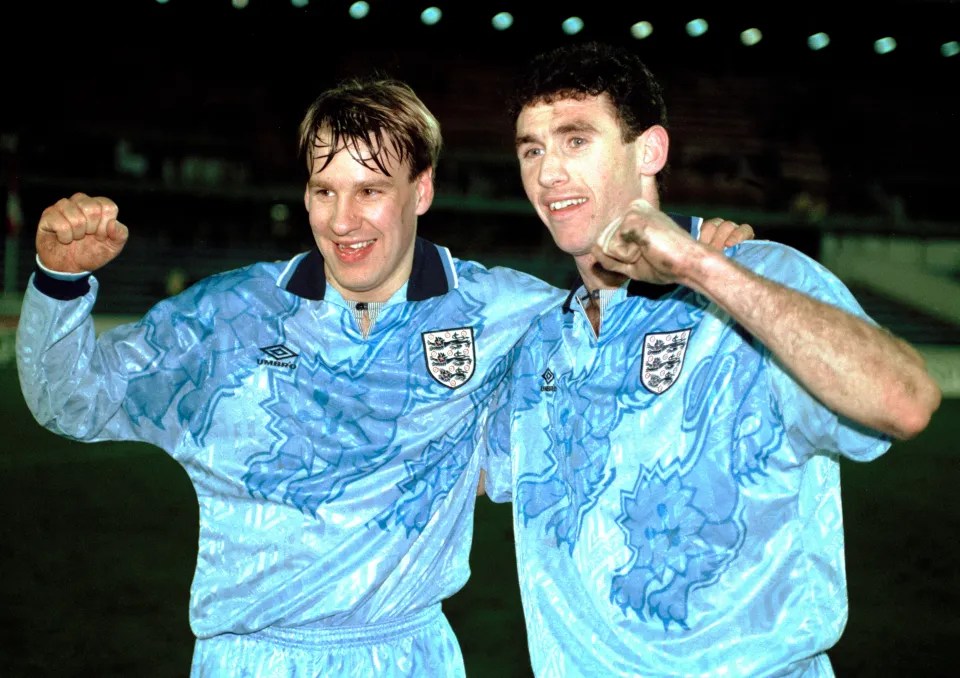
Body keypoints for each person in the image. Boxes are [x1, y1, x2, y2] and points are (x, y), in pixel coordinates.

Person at [14, 76, 750, 676]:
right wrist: (57, 285)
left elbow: (611, 335)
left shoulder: (501, 312)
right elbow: (72, 402)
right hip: (253, 659)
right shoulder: (228, 317)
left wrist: (706, 252)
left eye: (371, 189)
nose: (343, 219)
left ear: (420, 192)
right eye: (324, 190)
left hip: (411, 655)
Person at [480, 42, 942, 677]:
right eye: (531, 149)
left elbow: (906, 399)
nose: (547, 173)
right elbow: (462, 471)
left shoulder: (758, 277)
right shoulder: (541, 345)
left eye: (575, 140)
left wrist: (703, 269)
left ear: (650, 151)